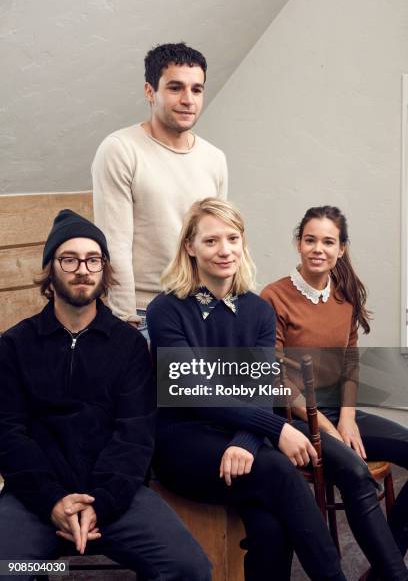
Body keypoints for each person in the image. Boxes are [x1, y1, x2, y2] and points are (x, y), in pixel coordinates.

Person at [0, 209, 211, 581]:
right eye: (69, 259)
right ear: (51, 269)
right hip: (37, 500)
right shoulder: (15, 345)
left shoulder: (128, 345)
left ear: (104, 270)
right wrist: (52, 501)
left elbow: (135, 434)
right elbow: (9, 433)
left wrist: (103, 502)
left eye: (93, 259)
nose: (82, 268)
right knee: (9, 569)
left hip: (115, 499)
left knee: (188, 569)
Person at [147, 198, 347, 581]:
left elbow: (257, 387)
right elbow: (194, 391)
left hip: (243, 440)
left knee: (272, 525)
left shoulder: (257, 310)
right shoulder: (166, 310)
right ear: (190, 247)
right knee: (280, 471)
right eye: (210, 241)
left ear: (243, 243)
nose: (224, 250)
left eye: (232, 238)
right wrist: (275, 430)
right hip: (182, 443)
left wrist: (246, 440)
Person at [261, 205, 408, 581]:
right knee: (358, 474)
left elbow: (350, 365)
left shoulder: (345, 297)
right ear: (298, 243)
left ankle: (380, 570)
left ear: (341, 248)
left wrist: (347, 417)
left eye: (328, 241)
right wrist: (329, 429)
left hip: (336, 410)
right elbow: (275, 378)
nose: (318, 249)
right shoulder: (274, 297)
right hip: (293, 417)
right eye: (310, 239)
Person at [92, 42, 228, 337]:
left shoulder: (214, 158)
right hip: (144, 312)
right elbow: (114, 243)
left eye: (197, 89)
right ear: (150, 91)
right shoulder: (120, 150)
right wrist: (125, 317)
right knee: (151, 386)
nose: (188, 99)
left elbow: (219, 242)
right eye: (175, 88)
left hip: (203, 307)